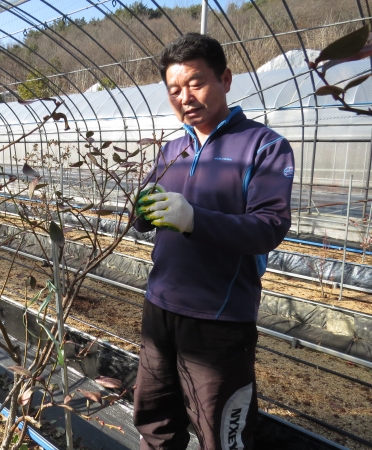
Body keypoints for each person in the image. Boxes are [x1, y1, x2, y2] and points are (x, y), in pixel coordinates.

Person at [131, 33, 294, 450]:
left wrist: (193, 218)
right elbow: (141, 220)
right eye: (174, 90)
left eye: (196, 82)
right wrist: (138, 212)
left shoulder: (263, 146)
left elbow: (268, 227)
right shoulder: (171, 149)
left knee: (222, 434)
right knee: (155, 422)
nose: (185, 96)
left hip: (219, 318)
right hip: (160, 307)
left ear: (225, 78)